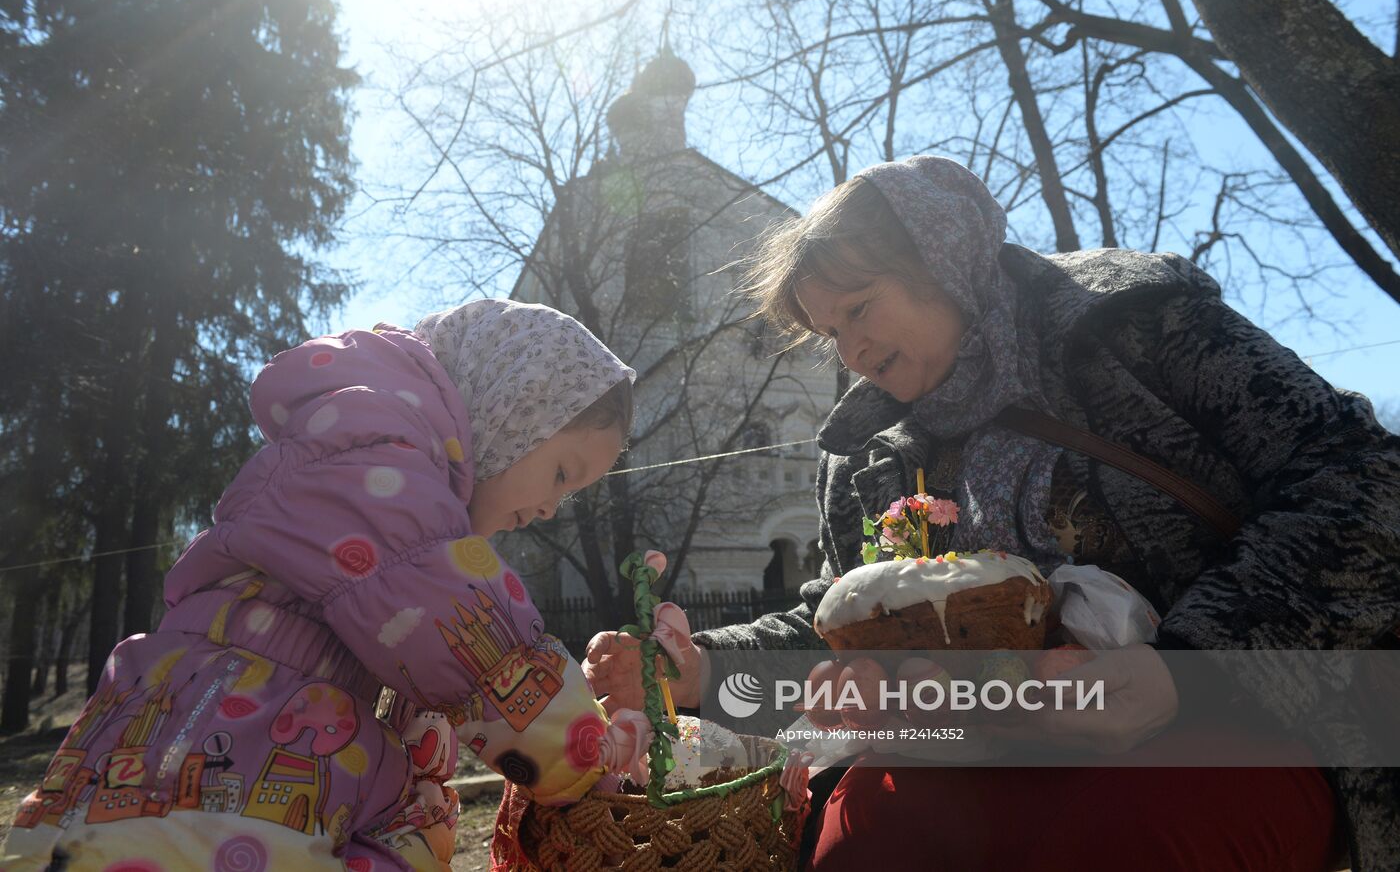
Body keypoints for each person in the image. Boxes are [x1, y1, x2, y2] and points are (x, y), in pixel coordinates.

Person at [584, 156, 1400, 871]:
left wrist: (1186, 669)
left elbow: (1362, 481)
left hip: (1234, 723)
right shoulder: (866, 454)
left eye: (861, 307)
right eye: (831, 332)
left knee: (1114, 845)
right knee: (858, 845)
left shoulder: (1137, 325)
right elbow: (845, 617)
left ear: (944, 257)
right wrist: (703, 673)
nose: (852, 353)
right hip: (963, 746)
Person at [3, 299, 654, 872]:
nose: (551, 509)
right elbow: (476, 642)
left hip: (223, 760)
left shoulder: (392, 509)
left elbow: (428, 665)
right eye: (563, 473)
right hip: (196, 764)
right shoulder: (374, 458)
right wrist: (589, 755)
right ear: (514, 411)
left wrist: (422, 808)